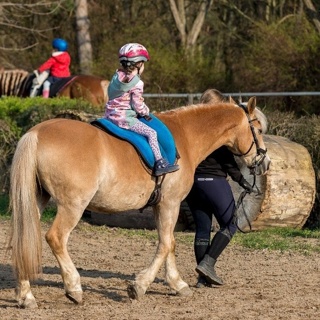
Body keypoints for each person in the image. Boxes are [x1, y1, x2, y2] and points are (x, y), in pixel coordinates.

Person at [186, 91, 253, 288]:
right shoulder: (217, 128)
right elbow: (227, 161)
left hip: (192, 182)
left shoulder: (191, 125)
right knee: (232, 223)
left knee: (203, 229)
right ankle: (208, 264)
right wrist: (242, 181)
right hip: (213, 180)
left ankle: (202, 279)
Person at [105, 43, 179, 176]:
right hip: (125, 119)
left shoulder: (116, 76)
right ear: (138, 64)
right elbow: (138, 105)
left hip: (109, 115)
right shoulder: (137, 83)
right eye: (143, 63)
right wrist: (145, 111)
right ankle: (160, 163)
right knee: (151, 133)